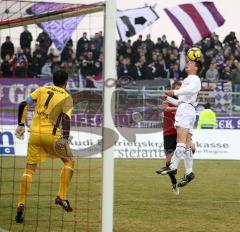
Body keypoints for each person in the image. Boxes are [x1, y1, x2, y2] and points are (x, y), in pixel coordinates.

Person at [15, 70, 75, 223]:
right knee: (69, 162)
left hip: (34, 134)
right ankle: (61, 196)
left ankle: (21, 203)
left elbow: (23, 104)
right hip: (52, 135)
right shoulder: (66, 97)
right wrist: (65, 138)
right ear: (66, 82)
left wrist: (21, 124)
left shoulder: (41, 90)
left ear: (53, 80)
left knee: (29, 169)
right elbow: (66, 119)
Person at [159, 57, 202, 189]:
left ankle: (173, 167)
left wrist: (174, 92)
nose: (188, 64)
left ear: (196, 68)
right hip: (186, 108)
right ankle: (189, 172)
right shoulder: (188, 80)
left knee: (181, 140)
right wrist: (168, 98)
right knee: (188, 143)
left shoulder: (195, 79)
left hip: (186, 111)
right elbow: (180, 101)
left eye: (191, 63)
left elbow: (191, 90)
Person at [156, 81, 182, 195]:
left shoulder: (183, 102)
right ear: (173, 89)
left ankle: (189, 172)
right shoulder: (168, 100)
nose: (179, 91)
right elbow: (163, 108)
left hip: (180, 132)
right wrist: (178, 109)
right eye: (177, 88)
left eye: (180, 89)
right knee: (168, 161)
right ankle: (174, 182)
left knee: (187, 150)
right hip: (168, 133)